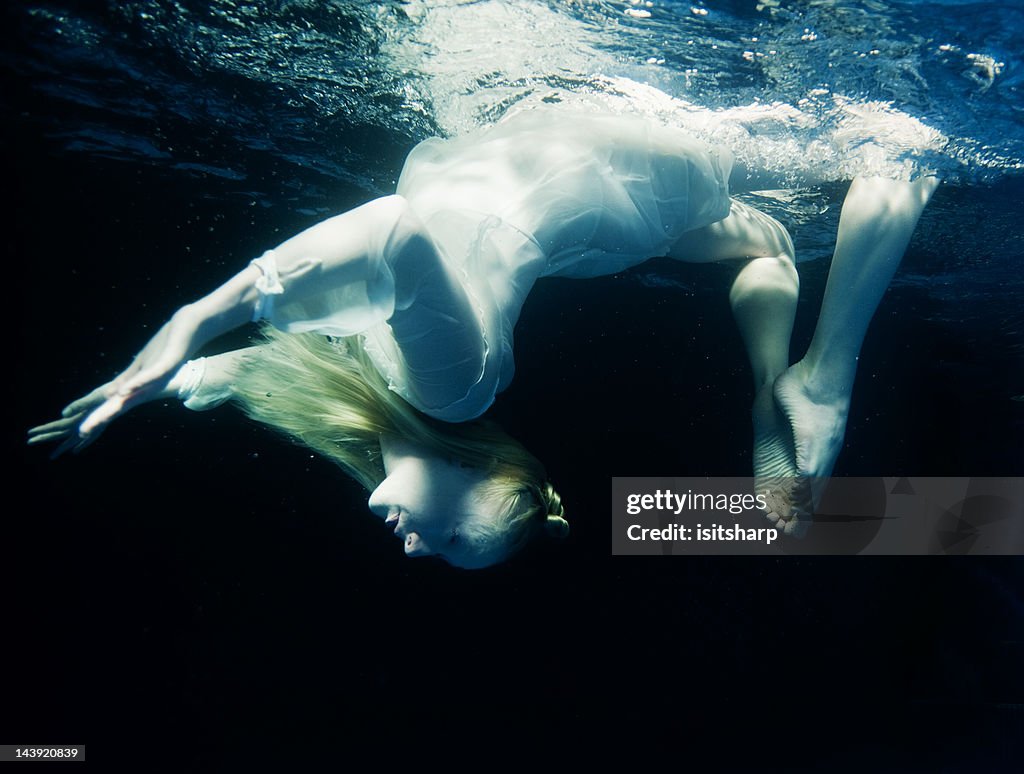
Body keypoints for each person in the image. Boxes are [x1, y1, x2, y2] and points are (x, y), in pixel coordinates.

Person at [27, 106, 937, 560]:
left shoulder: (378, 404)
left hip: (562, 210)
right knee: (893, 147)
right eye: (454, 543)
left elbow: (261, 375)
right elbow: (394, 228)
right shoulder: (448, 394)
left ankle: (773, 381)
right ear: (472, 468)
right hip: (576, 177)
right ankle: (824, 376)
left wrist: (173, 385)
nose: (415, 552)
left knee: (767, 243)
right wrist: (195, 321)